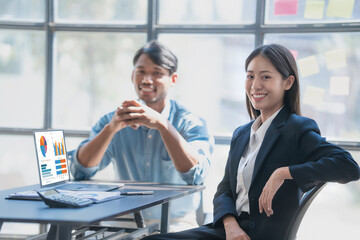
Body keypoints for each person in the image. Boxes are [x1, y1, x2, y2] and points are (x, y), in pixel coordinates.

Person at [142, 44, 360, 240]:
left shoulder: (297, 128)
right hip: (229, 230)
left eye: (265, 77)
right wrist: (230, 226)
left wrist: (284, 173)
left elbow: (348, 167)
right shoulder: (242, 134)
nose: (255, 85)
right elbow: (225, 191)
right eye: (250, 76)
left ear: (288, 82)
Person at [69, 40, 214, 230]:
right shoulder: (113, 119)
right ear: (132, 75)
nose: (147, 79)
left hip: (175, 224)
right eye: (141, 72)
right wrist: (111, 129)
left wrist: (163, 125)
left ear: (173, 79)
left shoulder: (191, 123)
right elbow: (80, 171)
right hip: (123, 222)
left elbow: (197, 175)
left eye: (157, 73)